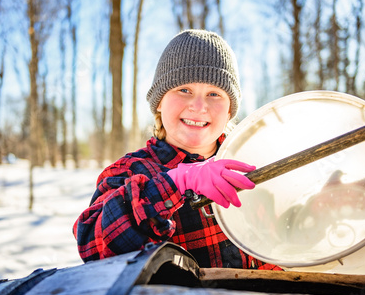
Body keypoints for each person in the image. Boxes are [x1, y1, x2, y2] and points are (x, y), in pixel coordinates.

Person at [73, 29, 281, 270]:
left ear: (229, 110)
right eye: (184, 90)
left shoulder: (252, 164)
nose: (199, 106)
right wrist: (176, 183)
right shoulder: (128, 171)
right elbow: (92, 245)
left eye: (214, 94)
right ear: (159, 101)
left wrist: (317, 214)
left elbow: (281, 237)